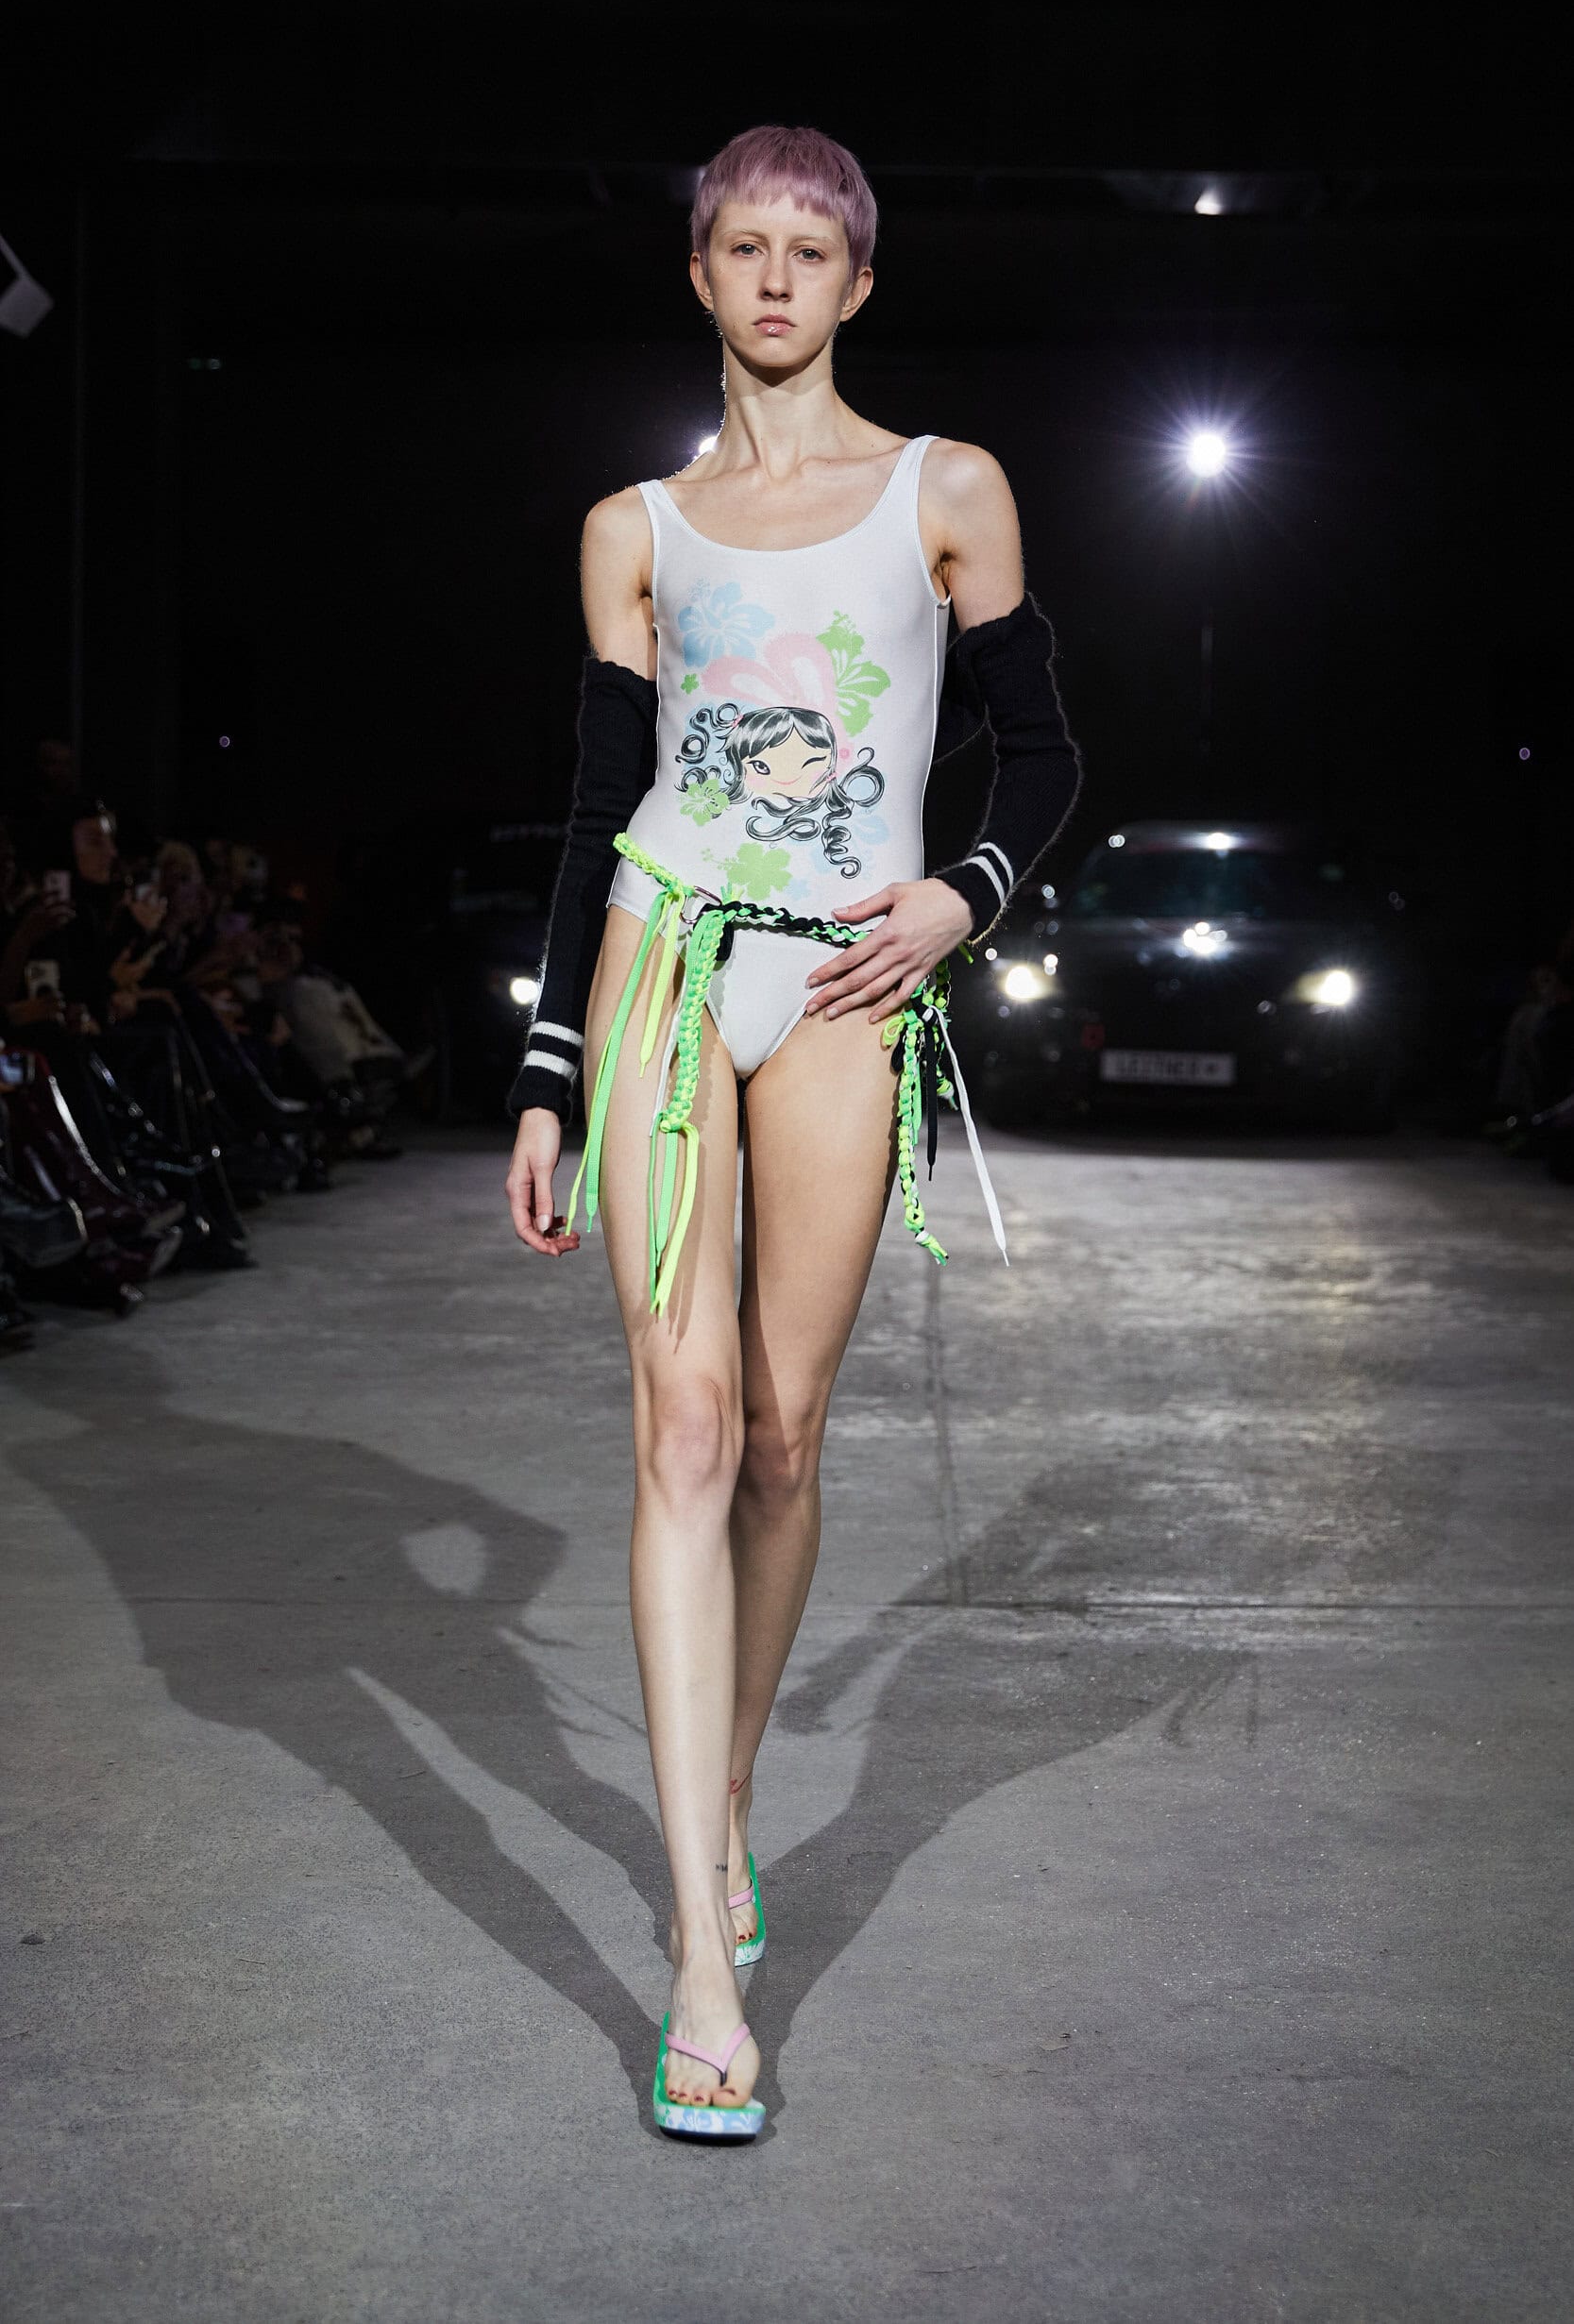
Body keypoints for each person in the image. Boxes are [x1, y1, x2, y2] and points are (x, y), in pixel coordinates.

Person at [502, 123, 1082, 2138]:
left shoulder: (945, 492)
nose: (772, 279)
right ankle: (699, 1964)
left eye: (807, 253)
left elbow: (1045, 750)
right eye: (741, 247)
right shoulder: (636, 527)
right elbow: (599, 811)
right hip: (665, 956)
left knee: (776, 1433)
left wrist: (962, 896)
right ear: (700, 274)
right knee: (674, 1428)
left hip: (846, 981)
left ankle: (731, 1784)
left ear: (856, 283)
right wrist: (548, 1071)